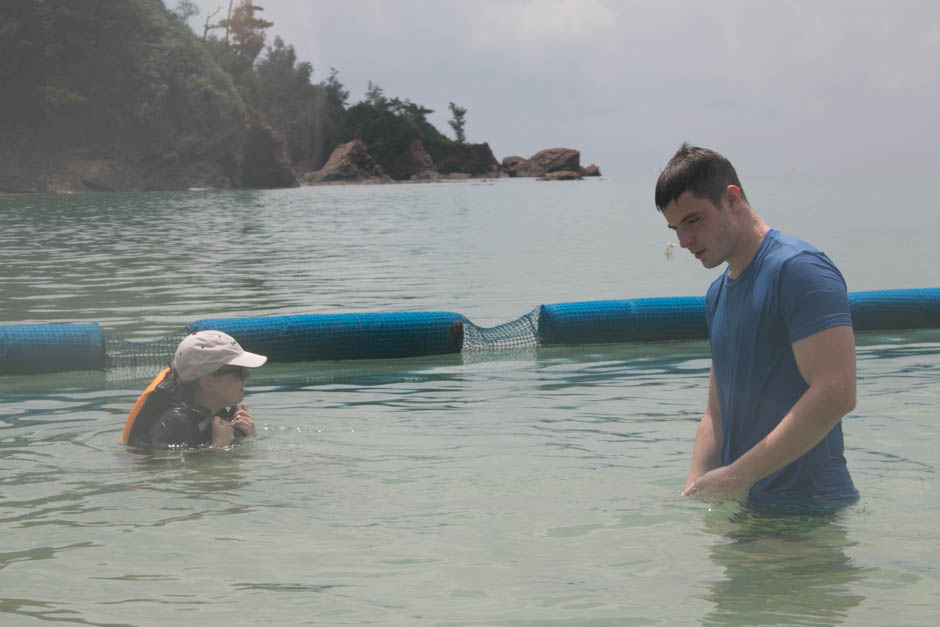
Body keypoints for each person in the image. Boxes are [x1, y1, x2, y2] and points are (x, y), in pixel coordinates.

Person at [655, 143, 858, 508]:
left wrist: (737, 477)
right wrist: (695, 491)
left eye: (692, 221)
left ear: (731, 198)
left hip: (807, 513)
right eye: (675, 228)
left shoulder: (799, 269)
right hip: (746, 513)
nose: (684, 242)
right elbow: (716, 413)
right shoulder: (717, 294)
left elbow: (836, 392)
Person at [122, 330, 267, 451]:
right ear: (207, 383)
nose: (248, 376)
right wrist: (220, 446)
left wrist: (247, 437)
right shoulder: (173, 424)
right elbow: (182, 475)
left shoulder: (220, 413)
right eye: (239, 372)